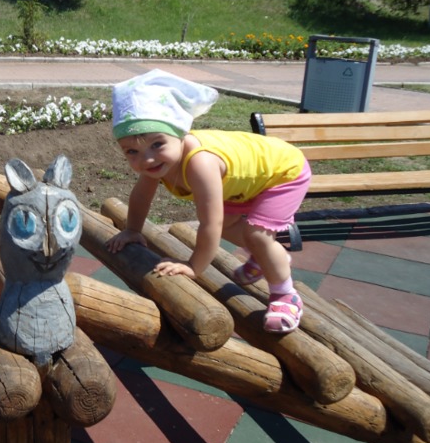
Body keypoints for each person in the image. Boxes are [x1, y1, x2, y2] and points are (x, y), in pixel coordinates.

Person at [105, 69, 310, 334]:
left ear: (180, 134)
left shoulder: (200, 163)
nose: (147, 159)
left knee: (257, 235)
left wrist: (194, 266)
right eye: (132, 151)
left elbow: (210, 223)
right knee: (231, 226)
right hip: (244, 181)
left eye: (157, 144)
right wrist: (132, 229)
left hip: (283, 172)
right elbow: (142, 195)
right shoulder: (158, 162)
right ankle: (267, 258)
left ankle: (285, 294)